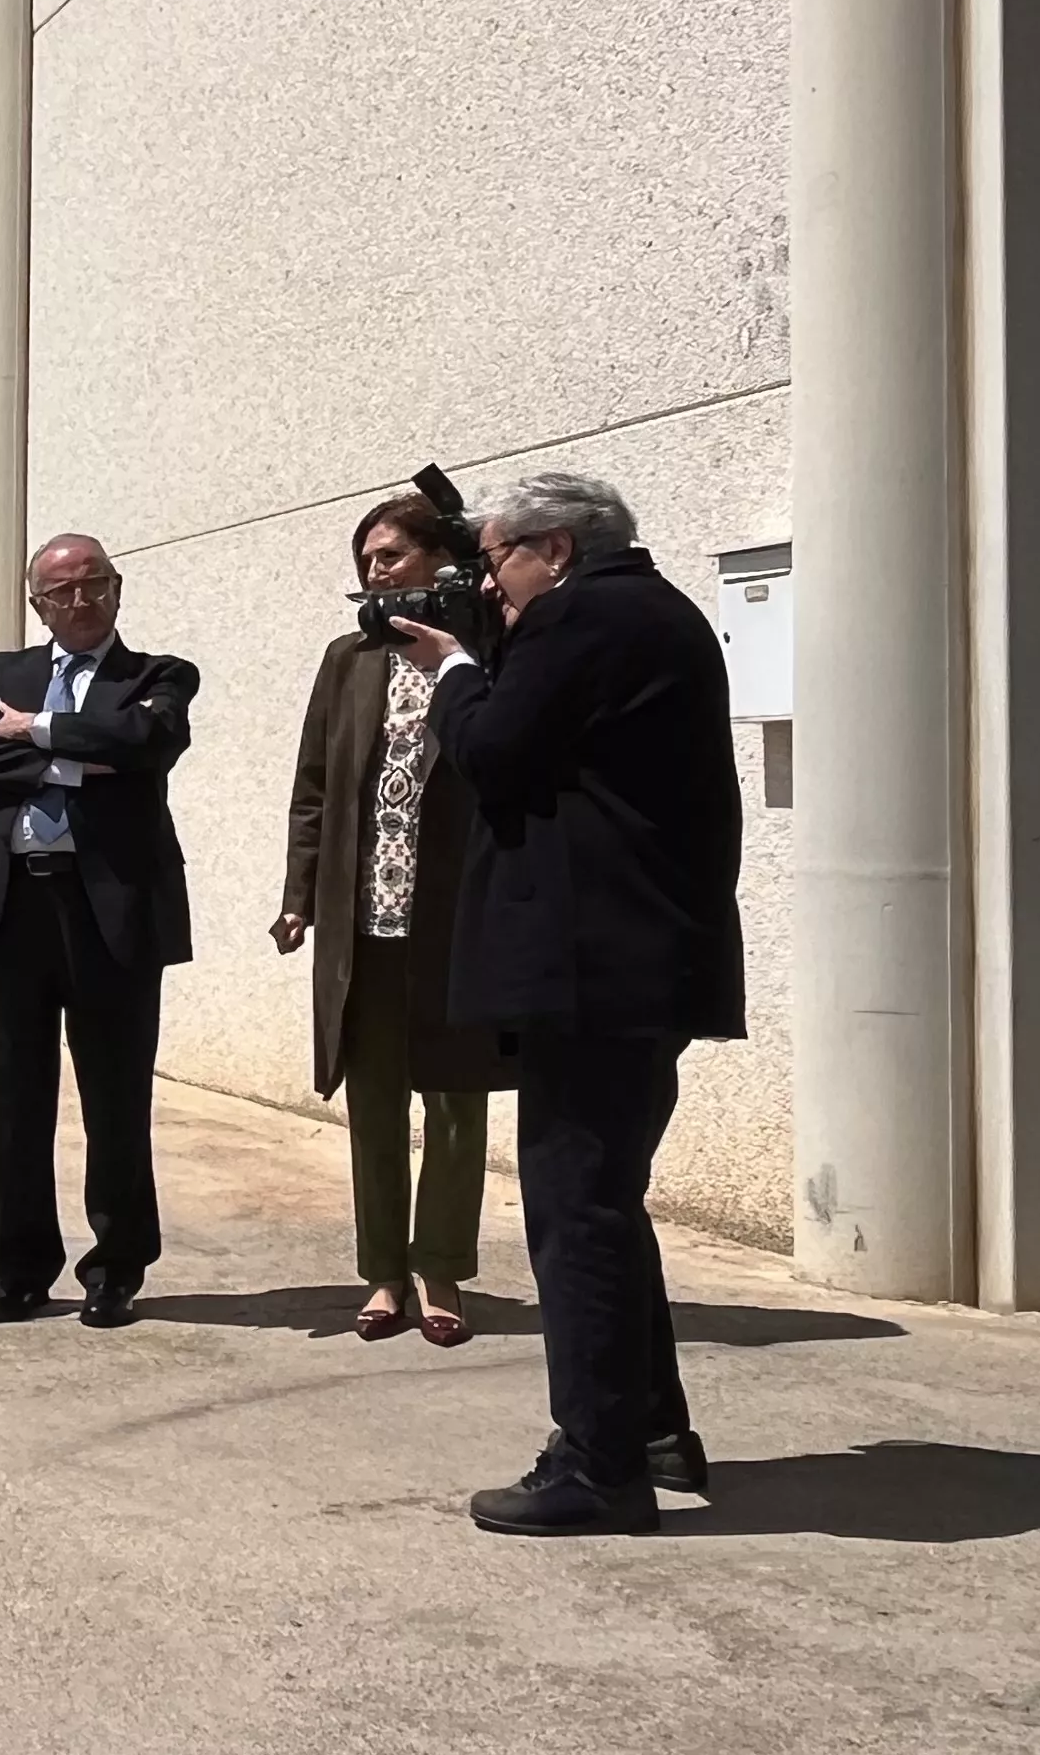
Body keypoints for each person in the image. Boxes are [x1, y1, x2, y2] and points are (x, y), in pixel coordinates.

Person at [385, 470, 743, 1536]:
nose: (488, 590)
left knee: (575, 1212)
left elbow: (495, 752)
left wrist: (451, 671)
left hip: (594, 971)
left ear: (556, 551)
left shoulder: (584, 614)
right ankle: (648, 1429)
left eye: (495, 564)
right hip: (632, 967)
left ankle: (599, 1465)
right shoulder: (650, 613)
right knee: (606, 1205)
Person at [0, 533, 200, 1327]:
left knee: (115, 1098)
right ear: (38, 604)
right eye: (62, 592)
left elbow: (147, 744)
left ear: (116, 590)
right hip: (11, 907)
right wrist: (81, 759)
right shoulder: (0, 674)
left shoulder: (157, 676)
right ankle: (19, 1267)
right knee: (15, 1099)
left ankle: (116, 1265)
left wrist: (37, 733)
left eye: (95, 586)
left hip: (111, 910)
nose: (81, 602)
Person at [277, 495, 506, 1347]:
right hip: (363, 920)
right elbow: (314, 789)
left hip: (454, 923)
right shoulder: (348, 660)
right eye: (367, 558)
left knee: (455, 1104)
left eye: (393, 555)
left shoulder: (483, 652)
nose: (376, 570)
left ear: (440, 560)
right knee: (372, 1103)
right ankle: (382, 1273)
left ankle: (440, 1265)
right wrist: (300, 895)